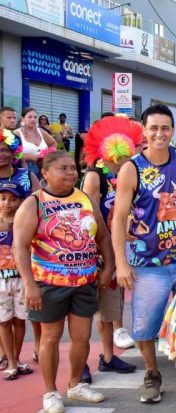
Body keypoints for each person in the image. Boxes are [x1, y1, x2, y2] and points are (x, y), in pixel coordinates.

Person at [110, 104, 176, 403]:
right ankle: (152, 374)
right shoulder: (132, 169)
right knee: (144, 326)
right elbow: (118, 218)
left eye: (165, 128)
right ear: (144, 130)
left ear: (172, 129)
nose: (160, 133)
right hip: (147, 264)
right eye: (153, 128)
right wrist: (121, 263)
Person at [15, 151, 115, 413]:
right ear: (45, 174)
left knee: (81, 337)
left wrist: (108, 268)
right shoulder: (34, 203)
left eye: (73, 168)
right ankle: (50, 392)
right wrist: (29, 284)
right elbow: (21, 247)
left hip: (84, 281)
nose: (71, 173)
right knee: (50, 337)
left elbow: (103, 236)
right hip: (49, 283)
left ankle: (75, 384)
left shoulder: (84, 198)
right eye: (63, 168)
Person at [80, 117, 143, 383]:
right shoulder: (96, 177)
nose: (129, 160)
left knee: (109, 309)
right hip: (95, 253)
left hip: (118, 250)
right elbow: (87, 216)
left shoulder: (125, 176)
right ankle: (80, 362)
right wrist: (100, 256)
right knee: (88, 311)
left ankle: (107, 357)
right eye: (124, 156)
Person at [0, 181, 30, 381]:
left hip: (21, 279)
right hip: (1, 281)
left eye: (12, 199)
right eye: (2, 199)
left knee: (20, 319)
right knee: (4, 321)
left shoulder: (24, 223)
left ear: (20, 202)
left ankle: (17, 359)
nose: (7, 203)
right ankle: (10, 361)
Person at [15, 107, 57, 181]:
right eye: (30, 117)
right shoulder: (17, 133)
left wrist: (48, 154)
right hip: (26, 168)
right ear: (23, 119)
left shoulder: (41, 131)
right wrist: (30, 157)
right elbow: (13, 154)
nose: (33, 119)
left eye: (35, 117)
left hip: (44, 167)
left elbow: (53, 143)